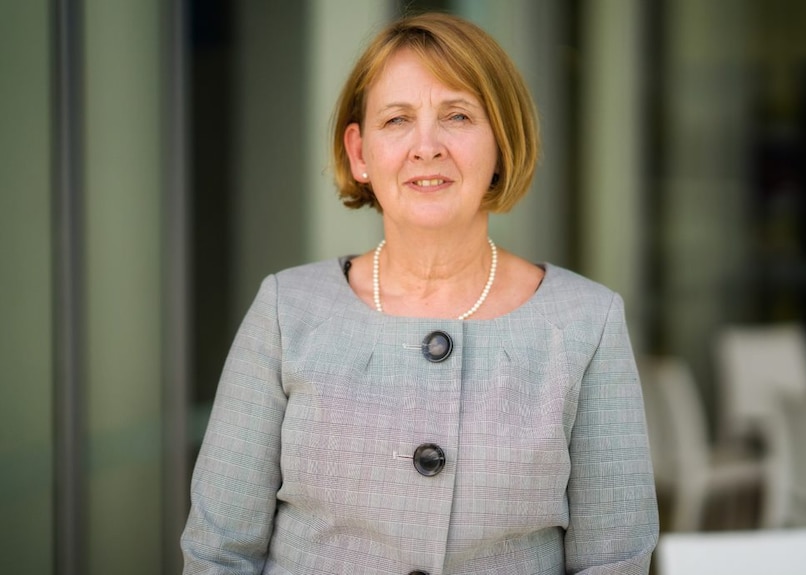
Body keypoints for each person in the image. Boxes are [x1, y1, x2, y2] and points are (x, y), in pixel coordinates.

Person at [181, 11, 658, 575]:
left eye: (457, 116)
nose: (425, 147)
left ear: (502, 143)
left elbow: (614, 560)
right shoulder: (287, 310)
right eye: (397, 120)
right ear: (359, 153)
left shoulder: (587, 322)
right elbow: (219, 555)